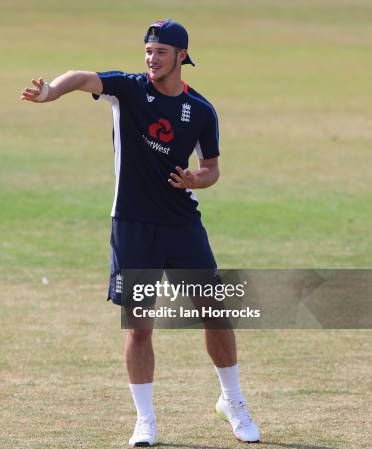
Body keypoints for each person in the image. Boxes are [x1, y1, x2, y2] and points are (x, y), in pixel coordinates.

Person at [20, 19, 260, 447]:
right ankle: (145, 421)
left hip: (183, 225)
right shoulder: (128, 89)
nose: (151, 59)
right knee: (139, 326)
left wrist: (196, 180)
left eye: (161, 52)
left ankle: (233, 402)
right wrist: (51, 92)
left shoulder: (201, 111)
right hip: (131, 224)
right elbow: (81, 77)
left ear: (182, 56)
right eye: (148, 51)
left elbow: (212, 168)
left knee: (215, 314)